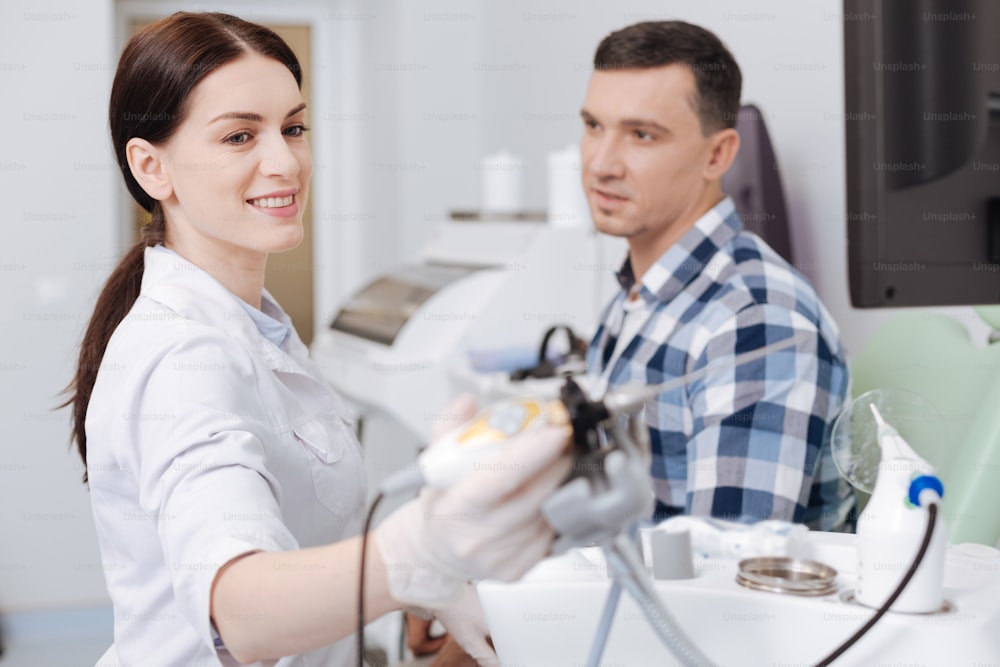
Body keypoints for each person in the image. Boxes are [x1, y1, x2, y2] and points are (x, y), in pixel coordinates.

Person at [64, 12, 571, 667]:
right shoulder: (184, 355)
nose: (285, 162)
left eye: (293, 128)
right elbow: (240, 612)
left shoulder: (254, 321)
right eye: (240, 135)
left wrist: (418, 584)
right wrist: (419, 555)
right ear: (151, 166)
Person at [580, 21, 854, 530]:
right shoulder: (636, 296)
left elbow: (726, 575)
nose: (600, 163)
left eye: (640, 135)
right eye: (594, 125)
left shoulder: (756, 321)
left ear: (718, 155)